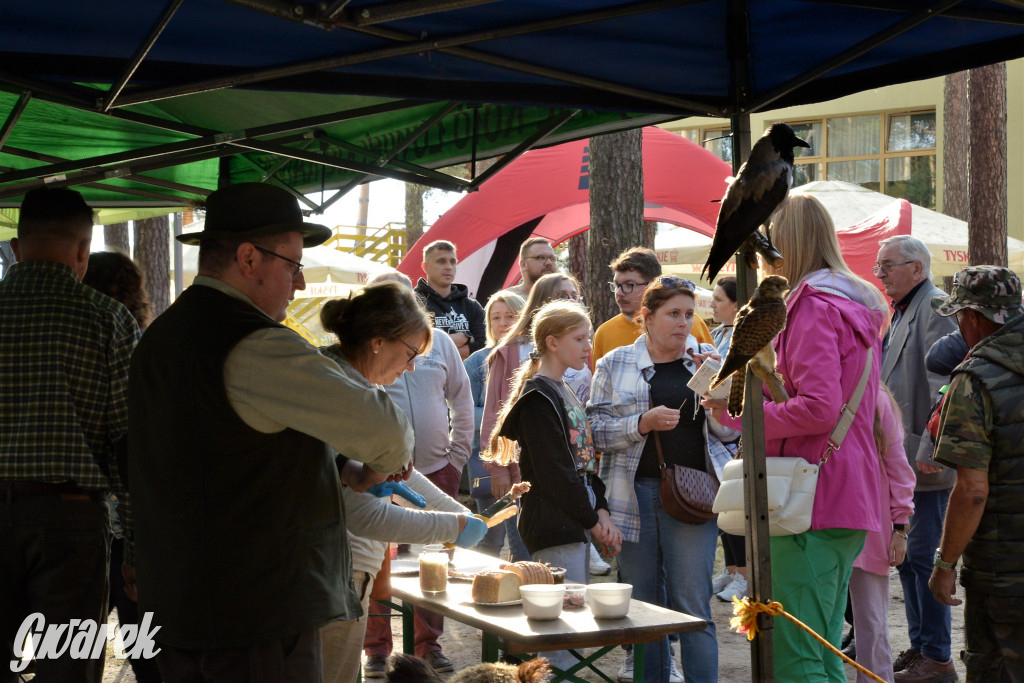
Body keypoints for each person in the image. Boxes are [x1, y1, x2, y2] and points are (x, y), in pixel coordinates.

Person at [125, 183, 415, 682]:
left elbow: (213, 453)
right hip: (254, 619)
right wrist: (377, 465)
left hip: (179, 605)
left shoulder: (161, 336)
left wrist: (343, 470)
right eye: (293, 265)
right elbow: (389, 433)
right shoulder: (255, 344)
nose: (299, 285)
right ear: (248, 258)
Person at [706, 193, 888, 682]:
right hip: (839, 491)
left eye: (765, 237)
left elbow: (818, 409)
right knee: (820, 646)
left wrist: (742, 415)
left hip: (812, 496)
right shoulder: (849, 303)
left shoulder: (809, 308)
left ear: (782, 241)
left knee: (797, 654)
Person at [315, 284, 487, 683]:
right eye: (410, 355)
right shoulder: (347, 396)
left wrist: (456, 510)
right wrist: (452, 527)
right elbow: (365, 516)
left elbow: (401, 472)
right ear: (377, 342)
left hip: (343, 571)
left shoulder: (355, 386)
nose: (411, 368)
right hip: (335, 570)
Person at [1, 187, 140, 682]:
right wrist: (136, 547)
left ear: (17, 247)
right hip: (69, 520)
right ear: (83, 251)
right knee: (68, 668)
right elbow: (129, 446)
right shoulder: (109, 319)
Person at [589, 276, 725, 683]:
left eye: (689, 314)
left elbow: (730, 434)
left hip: (693, 496)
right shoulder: (614, 363)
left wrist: (719, 395)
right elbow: (595, 431)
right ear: (646, 317)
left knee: (693, 605)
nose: (684, 323)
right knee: (644, 608)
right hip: (631, 496)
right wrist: (641, 423)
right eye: (673, 314)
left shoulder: (704, 362)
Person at [487, 300, 622, 672]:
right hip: (553, 521)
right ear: (551, 342)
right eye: (579, 339)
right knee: (560, 631)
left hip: (573, 518)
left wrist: (601, 510)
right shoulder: (538, 398)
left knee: (569, 623)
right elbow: (555, 473)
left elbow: (584, 460)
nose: (587, 347)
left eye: (588, 338)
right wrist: (593, 521)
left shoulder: (563, 390)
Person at [364, 271, 475, 674]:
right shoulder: (368, 348)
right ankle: (377, 648)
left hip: (435, 469)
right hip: (376, 473)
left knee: (434, 563)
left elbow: (462, 398)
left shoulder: (439, 340)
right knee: (377, 558)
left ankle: (428, 645)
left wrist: (458, 456)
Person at [928, 266, 1024, 682]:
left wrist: (945, 563)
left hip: (1004, 572)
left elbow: (972, 491)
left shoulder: (976, 379)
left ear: (973, 317)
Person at [874, 235, 958, 682]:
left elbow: (947, 385)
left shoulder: (936, 307)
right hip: (906, 458)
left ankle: (938, 658)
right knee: (908, 559)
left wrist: (929, 447)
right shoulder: (906, 307)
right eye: (878, 266)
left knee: (923, 558)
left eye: (887, 265)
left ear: (918, 268)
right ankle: (922, 648)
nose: (880, 273)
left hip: (925, 461)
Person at [81, 250, 161, 683]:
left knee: (76, 647)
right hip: (133, 523)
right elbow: (135, 449)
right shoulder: (142, 350)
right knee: (146, 649)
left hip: (81, 518)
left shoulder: (75, 342)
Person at [481, 273, 592, 502]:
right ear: (542, 302)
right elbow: (495, 411)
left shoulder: (579, 346)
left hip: (577, 461)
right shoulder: (511, 349)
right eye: (563, 295)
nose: (571, 301)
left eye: (575, 296)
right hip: (530, 465)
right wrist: (498, 468)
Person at [848, 385, 915, 683]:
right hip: (823, 521)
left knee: (871, 621)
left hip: (870, 525)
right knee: (819, 619)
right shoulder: (814, 386)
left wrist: (900, 527)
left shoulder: (876, 396)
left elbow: (899, 466)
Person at [464, 289, 530, 559]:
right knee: (488, 533)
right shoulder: (478, 360)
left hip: (525, 459)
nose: (503, 323)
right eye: (496, 317)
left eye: (510, 316)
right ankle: (484, 584)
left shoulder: (533, 355)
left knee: (520, 534)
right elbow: (463, 411)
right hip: (487, 458)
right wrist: (505, 416)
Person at [594, 246, 713, 362]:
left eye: (629, 285)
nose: (619, 293)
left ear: (652, 285)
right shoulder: (604, 333)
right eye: (616, 285)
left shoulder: (692, 324)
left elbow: (714, 372)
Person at [707, 275, 747, 604]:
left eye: (718, 299)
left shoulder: (744, 337)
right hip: (716, 431)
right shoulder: (719, 333)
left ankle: (745, 576)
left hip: (735, 433)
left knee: (737, 507)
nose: (713, 305)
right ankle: (733, 569)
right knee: (725, 509)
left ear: (735, 304)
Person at [414, 240, 486, 359]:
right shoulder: (414, 302)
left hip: (466, 376)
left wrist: (435, 350)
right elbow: (415, 345)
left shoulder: (471, 306)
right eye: (441, 261)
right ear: (425, 266)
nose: (448, 267)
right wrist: (465, 338)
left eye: (453, 262)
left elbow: (483, 345)